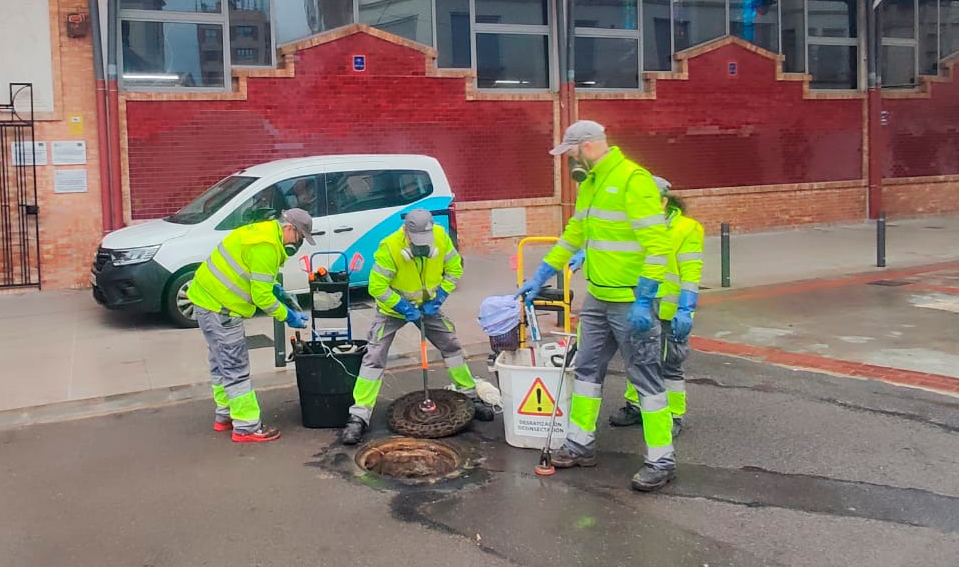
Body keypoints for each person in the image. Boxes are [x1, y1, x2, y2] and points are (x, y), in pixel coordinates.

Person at [514, 120, 677, 492]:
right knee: (586, 369)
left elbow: (658, 245)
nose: (568, 159)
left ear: (586, 147)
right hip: (599, 299)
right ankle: (579, 444)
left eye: (570, 152)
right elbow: (574, 235)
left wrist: (645, 298)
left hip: (631, 300)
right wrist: (541, 274)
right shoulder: (590, 185)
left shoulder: (633, 181)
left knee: (646, 378)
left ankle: (661, 460)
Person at [340, 211, 493, 445]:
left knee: (451, 345)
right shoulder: (389, 247)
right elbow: (376, 287)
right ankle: (359, 416)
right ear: (406, 233)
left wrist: (439, 296)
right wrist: (402, 306)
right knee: (374, 357)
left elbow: (454, 269)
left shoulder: (441, 237)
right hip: (393, 310)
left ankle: (470, 396)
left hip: (428, 306)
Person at [188, 207, 314, 443]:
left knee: (220, 363)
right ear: (289, 228)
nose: (298, 246)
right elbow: (262, 298)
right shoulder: (266, 248)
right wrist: (288, 316)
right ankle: (246, 427)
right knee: (235, 367)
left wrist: (277, 289)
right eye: (299, 238)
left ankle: (224, 415)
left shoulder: (262, 232)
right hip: (221, 309)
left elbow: (253, 274)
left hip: (206, 300)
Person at [608, 177, 703, 437]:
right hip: (644, 307)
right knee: (639, 357)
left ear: (664, 201)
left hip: (673, 310)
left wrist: (686, 309)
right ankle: (637, 405)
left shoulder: (686, 228)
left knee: (671, 363)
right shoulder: (635, 226)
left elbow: (691, 272)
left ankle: (673, 414)